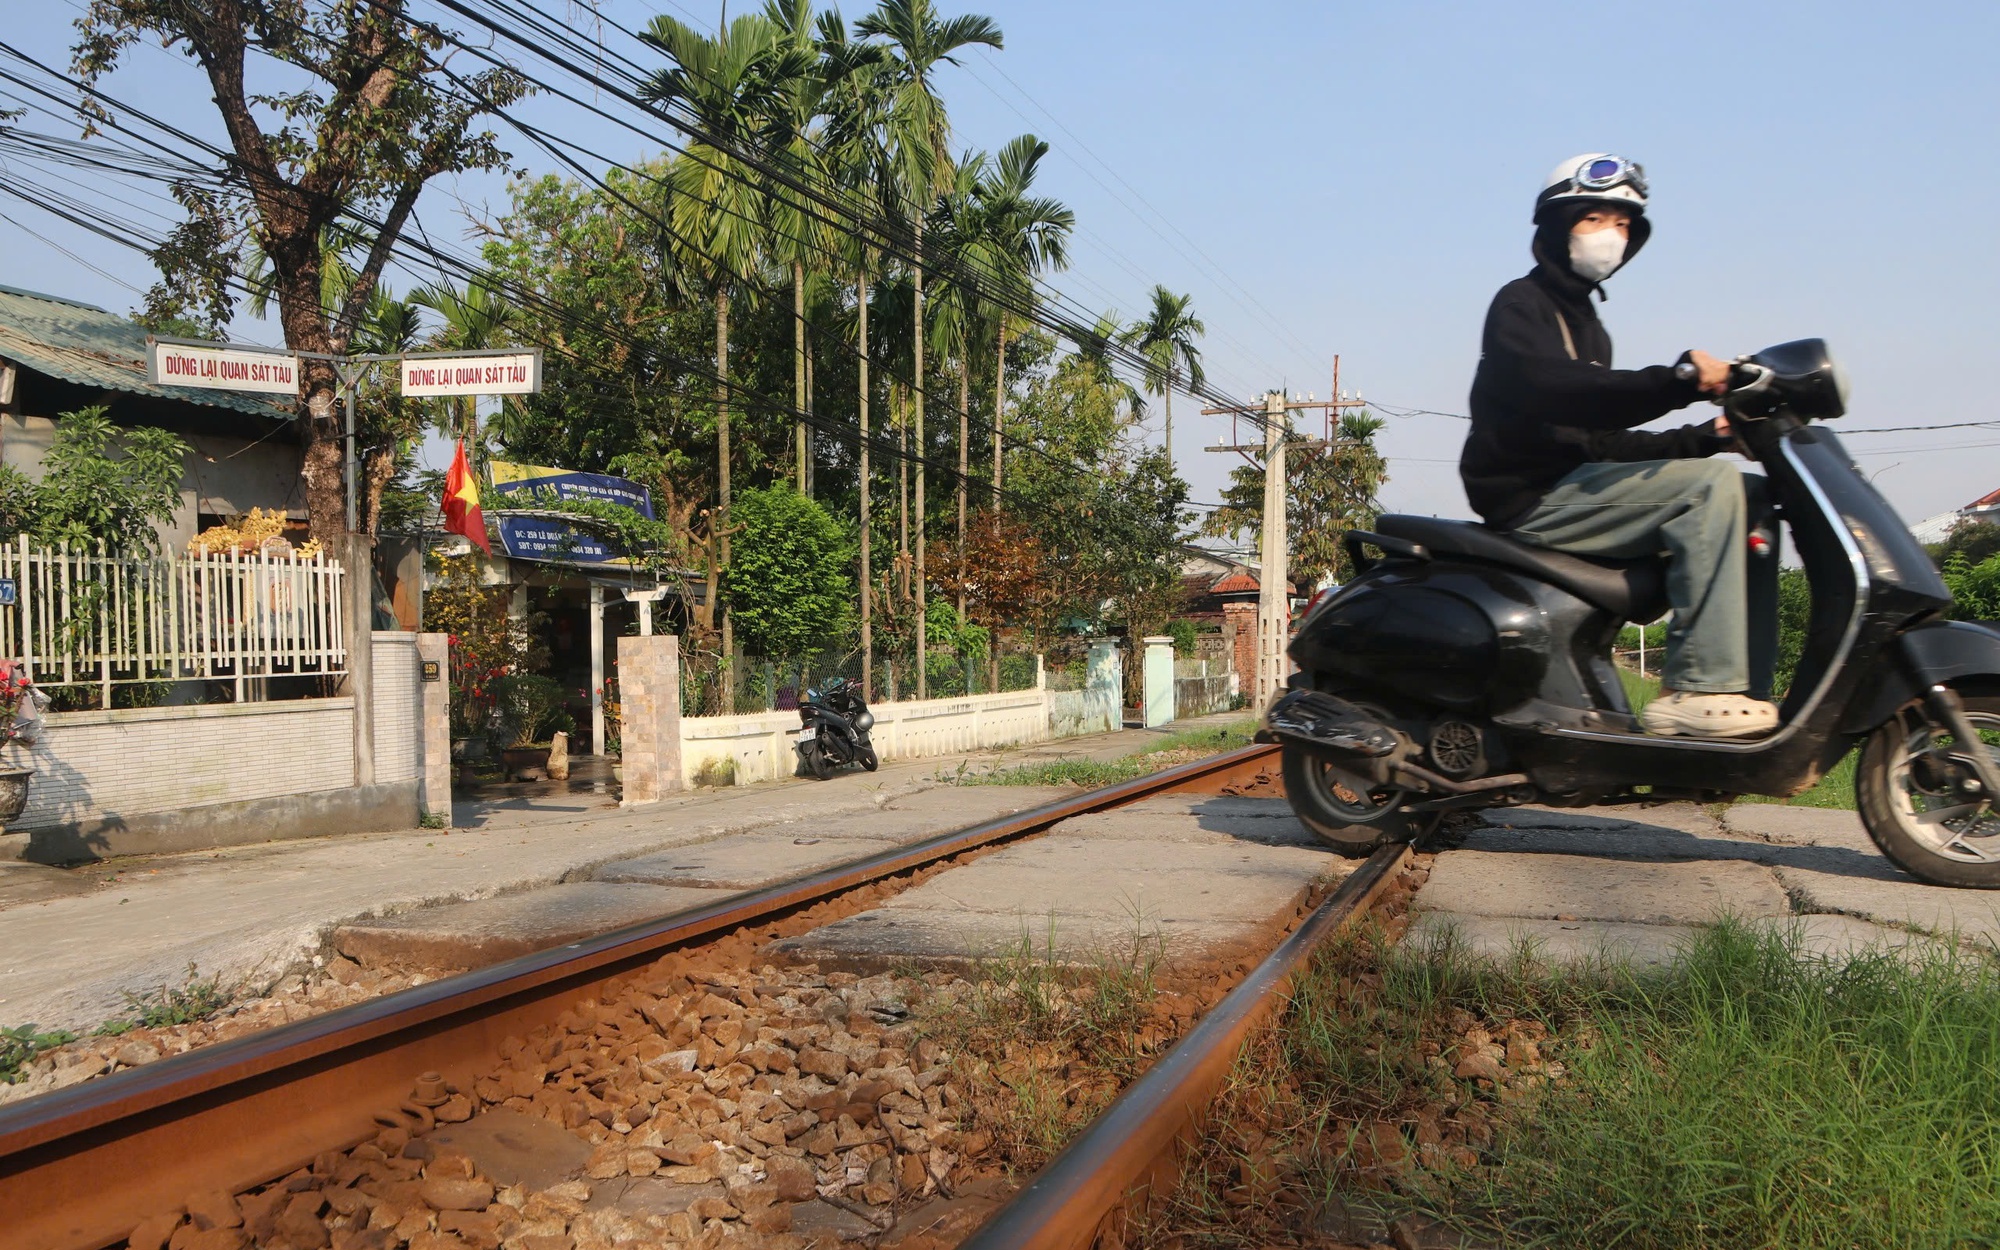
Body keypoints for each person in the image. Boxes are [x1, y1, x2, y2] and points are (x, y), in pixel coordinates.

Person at [1459, 152, 1779, 739]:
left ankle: (1746, 688)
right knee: (1710, 493)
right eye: (1595, 220)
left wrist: (1707, 438)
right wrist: (1679, 381)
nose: (1612, 236)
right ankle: (1698, 686)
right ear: (1557, 228)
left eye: (1624, 225)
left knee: (1755, 496)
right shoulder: (1520, 305)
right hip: (1531, 497)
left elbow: (1601, 443)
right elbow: (1557, 390)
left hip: (1577, 486)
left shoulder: (1589, 326)